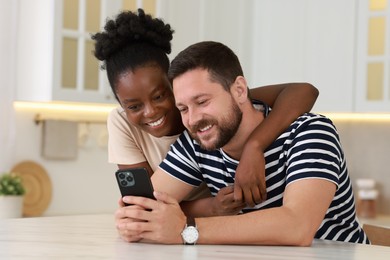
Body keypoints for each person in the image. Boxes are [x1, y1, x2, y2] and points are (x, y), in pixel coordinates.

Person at [115, 41, 369, 245]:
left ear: (239, 90)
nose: (192, 120)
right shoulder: (197, 144)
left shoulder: (310, 132)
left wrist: (186, 230)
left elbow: (297, 226)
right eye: (183, 108)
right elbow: (142, 211)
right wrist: (136, 219)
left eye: (202, 102)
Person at [92, 9, 319, 213]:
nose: (150, 112)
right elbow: (145, 206)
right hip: (202, 218)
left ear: (173, 83)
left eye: (160, 96)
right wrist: (210, 208)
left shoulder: (215, 108)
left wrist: (254, 146)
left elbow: (303, 91)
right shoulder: (128, 125)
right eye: (133, 106)